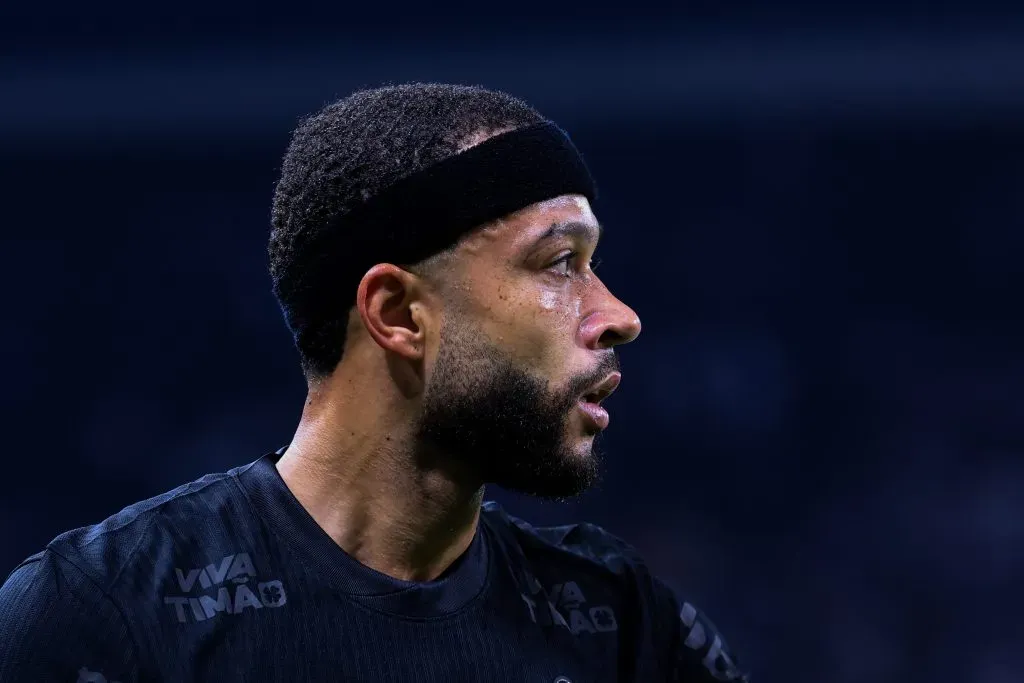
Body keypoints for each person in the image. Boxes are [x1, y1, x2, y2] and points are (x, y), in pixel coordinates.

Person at [0, 83, 749, 682]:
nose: (618, 315)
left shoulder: (619, 625)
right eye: (560, 263)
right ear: (397, 313)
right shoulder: (103, 619)